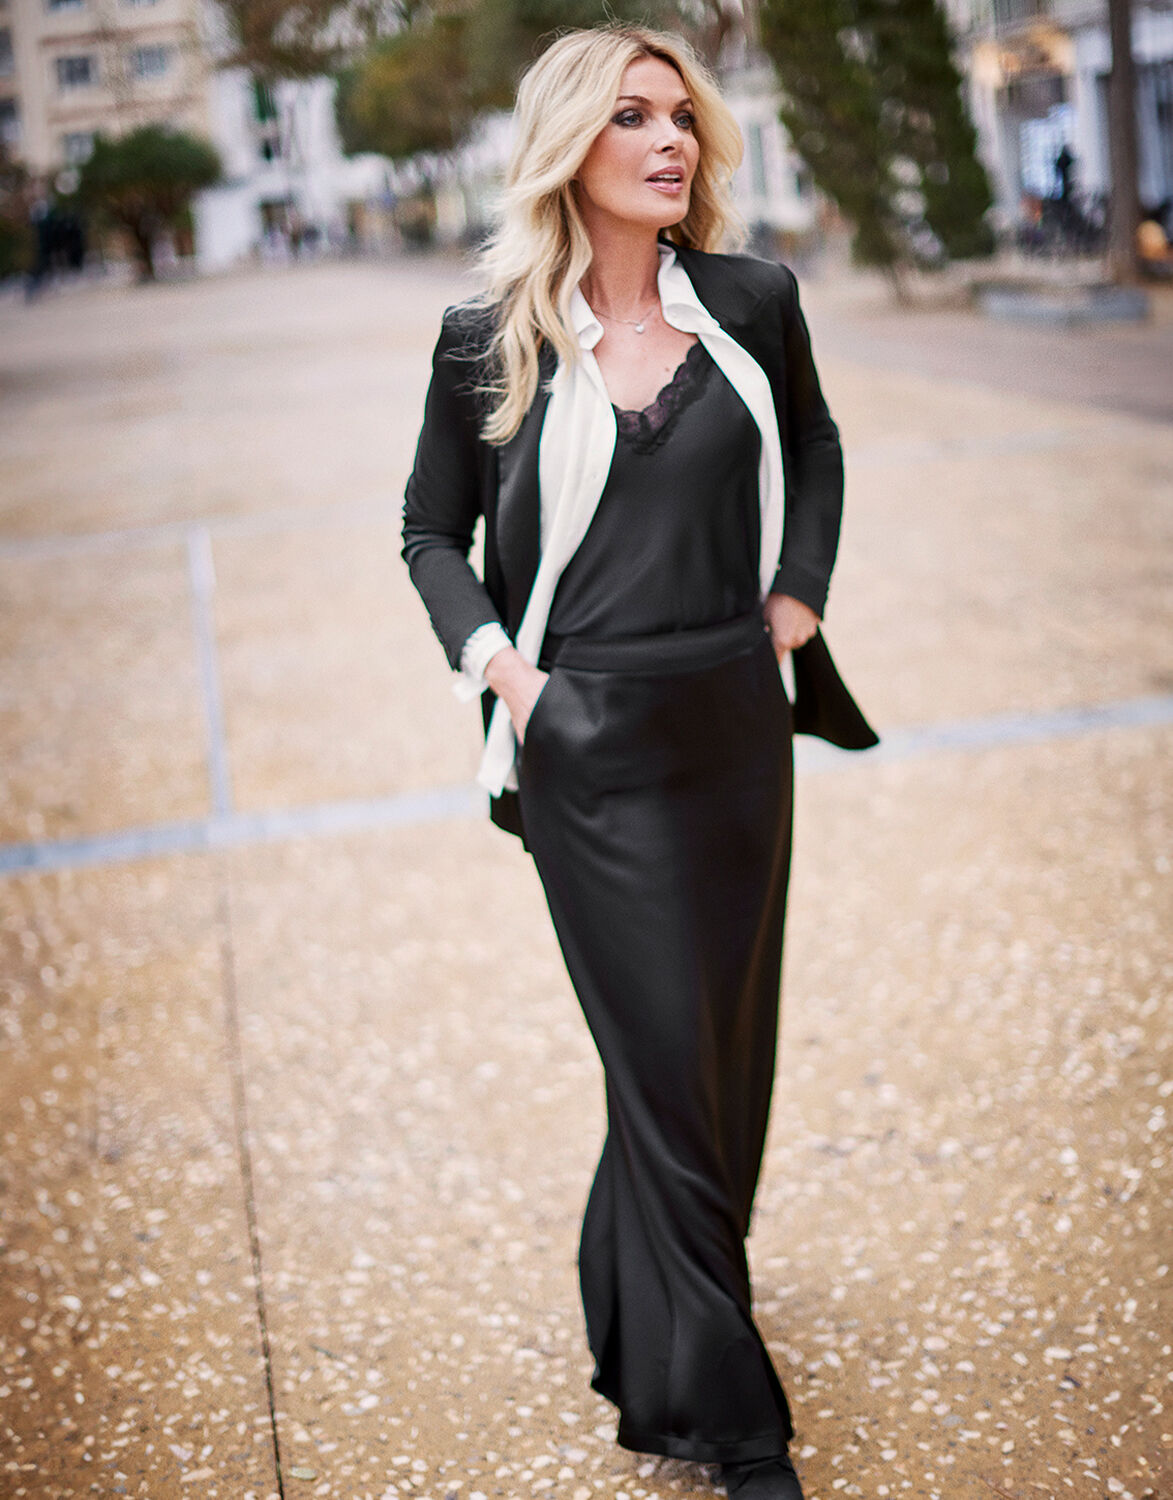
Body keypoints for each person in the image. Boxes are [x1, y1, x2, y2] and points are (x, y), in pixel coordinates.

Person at [402, 25, 876, 1499]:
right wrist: (511, 679)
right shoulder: (486, 335)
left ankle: (638, 1304)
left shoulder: (751, 299)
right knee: (663, 1059)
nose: (669, 140)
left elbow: (816, 443)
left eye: (680, 116)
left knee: (720, 1058)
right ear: (568, 145)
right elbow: (429, 532)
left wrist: (797, 598)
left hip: (734, 726)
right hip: (587, 750)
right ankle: (735, 1427)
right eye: (630, 117)